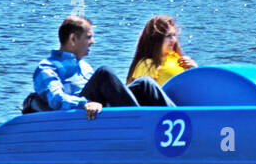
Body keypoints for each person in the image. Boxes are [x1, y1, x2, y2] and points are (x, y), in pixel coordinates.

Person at [29, 16, 172, 118]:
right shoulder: (47, 68)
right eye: (88, 37)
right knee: (104, 73)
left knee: (144, 84)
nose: (93, 42)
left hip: (95, 112)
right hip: (76, 117)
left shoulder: (85, 67)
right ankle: (142, 120)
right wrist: (85, 104)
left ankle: (180, 118)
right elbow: (55, 99)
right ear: (73, 39)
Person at [127, 15, 198, 85]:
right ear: (155, 39)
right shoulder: (147, 64)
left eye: (174, 35)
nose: (173, 40)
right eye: (168, 36)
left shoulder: (176, 58)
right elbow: (145, 93)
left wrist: (194, 69)